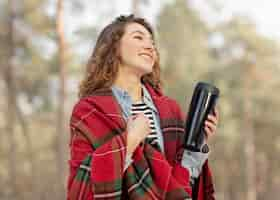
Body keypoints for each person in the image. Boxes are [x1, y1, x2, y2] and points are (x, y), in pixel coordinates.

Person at [67, 14, 219, 200]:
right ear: (113, 47)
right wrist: (129, 141)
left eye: (152, 43)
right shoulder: (88, 110)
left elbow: (181, 183)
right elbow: (80, 188)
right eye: (138, 37)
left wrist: (196, 145)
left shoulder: (170, 109)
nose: (150, 47)